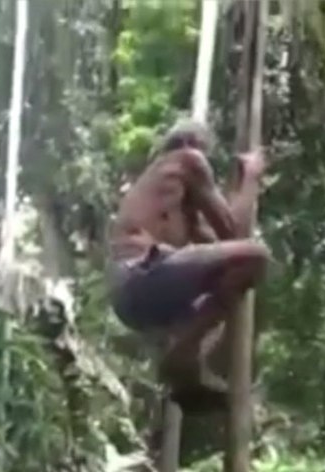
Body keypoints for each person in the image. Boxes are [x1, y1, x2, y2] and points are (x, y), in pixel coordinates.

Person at [107, 119, 270, 410]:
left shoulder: (176, 210)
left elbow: (227, 245)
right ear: (193, 146)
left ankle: (186, 375)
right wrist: (251, 177)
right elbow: (236, 234)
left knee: (230, 284)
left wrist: (236, 195)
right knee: (257, 257)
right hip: (138, 276)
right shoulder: (187, 160)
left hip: (133, 302)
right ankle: (182, 354)